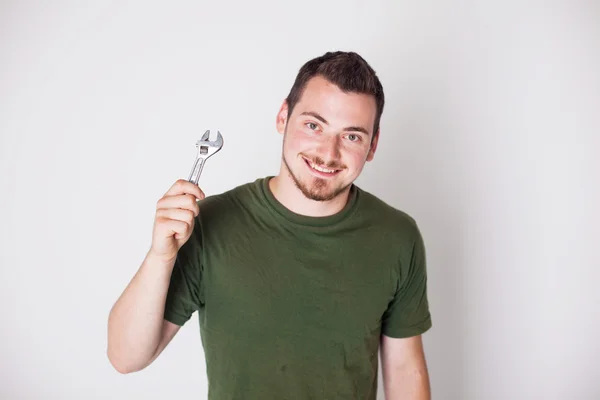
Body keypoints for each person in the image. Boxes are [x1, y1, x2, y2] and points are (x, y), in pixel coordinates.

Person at [107, 51, 433, 399]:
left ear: (372, 145)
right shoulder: (210, 224)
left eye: (351, 136)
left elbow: (403, 370)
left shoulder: (397, 236)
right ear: (283, 117)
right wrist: (160, 256)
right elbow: (125, 357)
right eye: (313, 125)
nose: (328, 152)